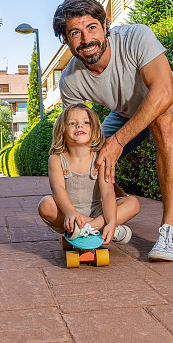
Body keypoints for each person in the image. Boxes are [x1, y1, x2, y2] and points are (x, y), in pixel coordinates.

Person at [52, 0, 173, 261]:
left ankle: (170, 230)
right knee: (92, 156)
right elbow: (74, 143)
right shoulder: (70, 81)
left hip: (170, 97)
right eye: (75, 33)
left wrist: (116, 143)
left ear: (105, 26)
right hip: (125, 113)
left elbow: (163, 93)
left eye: (92, 28)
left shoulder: (136, 36)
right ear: (65, 40)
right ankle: (107, 221)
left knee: (161, 122)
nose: (86, 40)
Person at [38, 103, 140, 245]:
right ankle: (101, 228)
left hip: (98, 211)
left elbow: (107, 193)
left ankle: (90, 228)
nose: (79, 126)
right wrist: (70, 212)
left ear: (95, 130)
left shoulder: (101, 158)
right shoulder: (56, 159)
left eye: (86, 122)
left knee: (133, 203)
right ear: (62, 132)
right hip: (69, 213)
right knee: (45, 205)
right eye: (72, 123)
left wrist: (110, 220)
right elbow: (58, 189)